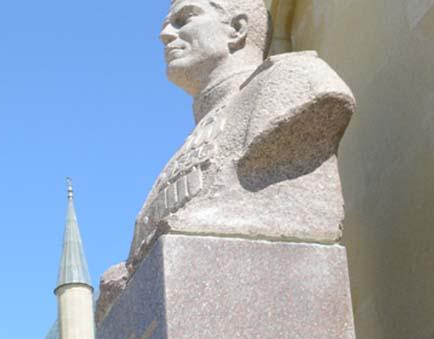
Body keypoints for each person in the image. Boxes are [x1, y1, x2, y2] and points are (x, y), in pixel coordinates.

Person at [125, 0, 354, 271]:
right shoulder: (178, 155)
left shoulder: (295, 82)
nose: (165, 34)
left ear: (237, 28)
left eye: (184, 19)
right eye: (166, 25)